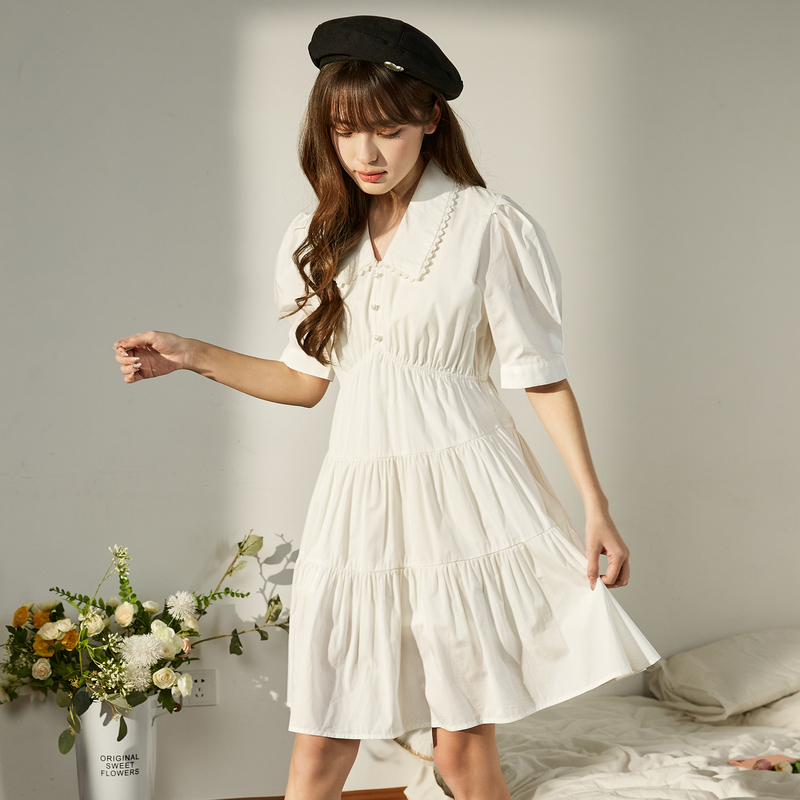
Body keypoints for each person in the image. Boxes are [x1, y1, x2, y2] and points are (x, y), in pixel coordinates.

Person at [113, 15, 661, 800]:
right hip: (360, 502)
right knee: (318, 749)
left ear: (431, 118)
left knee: (462, 749)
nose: (365, 154)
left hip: (467, 500)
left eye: (388, 130)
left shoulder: (486, 226)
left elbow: (540, 375)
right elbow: (303, 382)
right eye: (345, 132)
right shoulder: (319, 237)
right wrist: (191, 354)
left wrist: (595, 505)